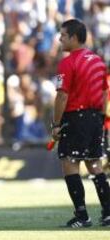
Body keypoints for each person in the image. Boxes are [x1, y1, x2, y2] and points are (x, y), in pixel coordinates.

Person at [51, 19, 110, 228]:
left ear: (74, 38)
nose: (60, 39)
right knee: (95, 164)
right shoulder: (99, 61)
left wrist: (55, 124)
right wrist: (101, 118)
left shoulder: (67, 63)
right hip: (96, 118)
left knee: (69, 164)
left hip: (75, 118)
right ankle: (108, 211)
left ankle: (82, 215)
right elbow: (105, 93)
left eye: (63, 35)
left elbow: (62, 97)